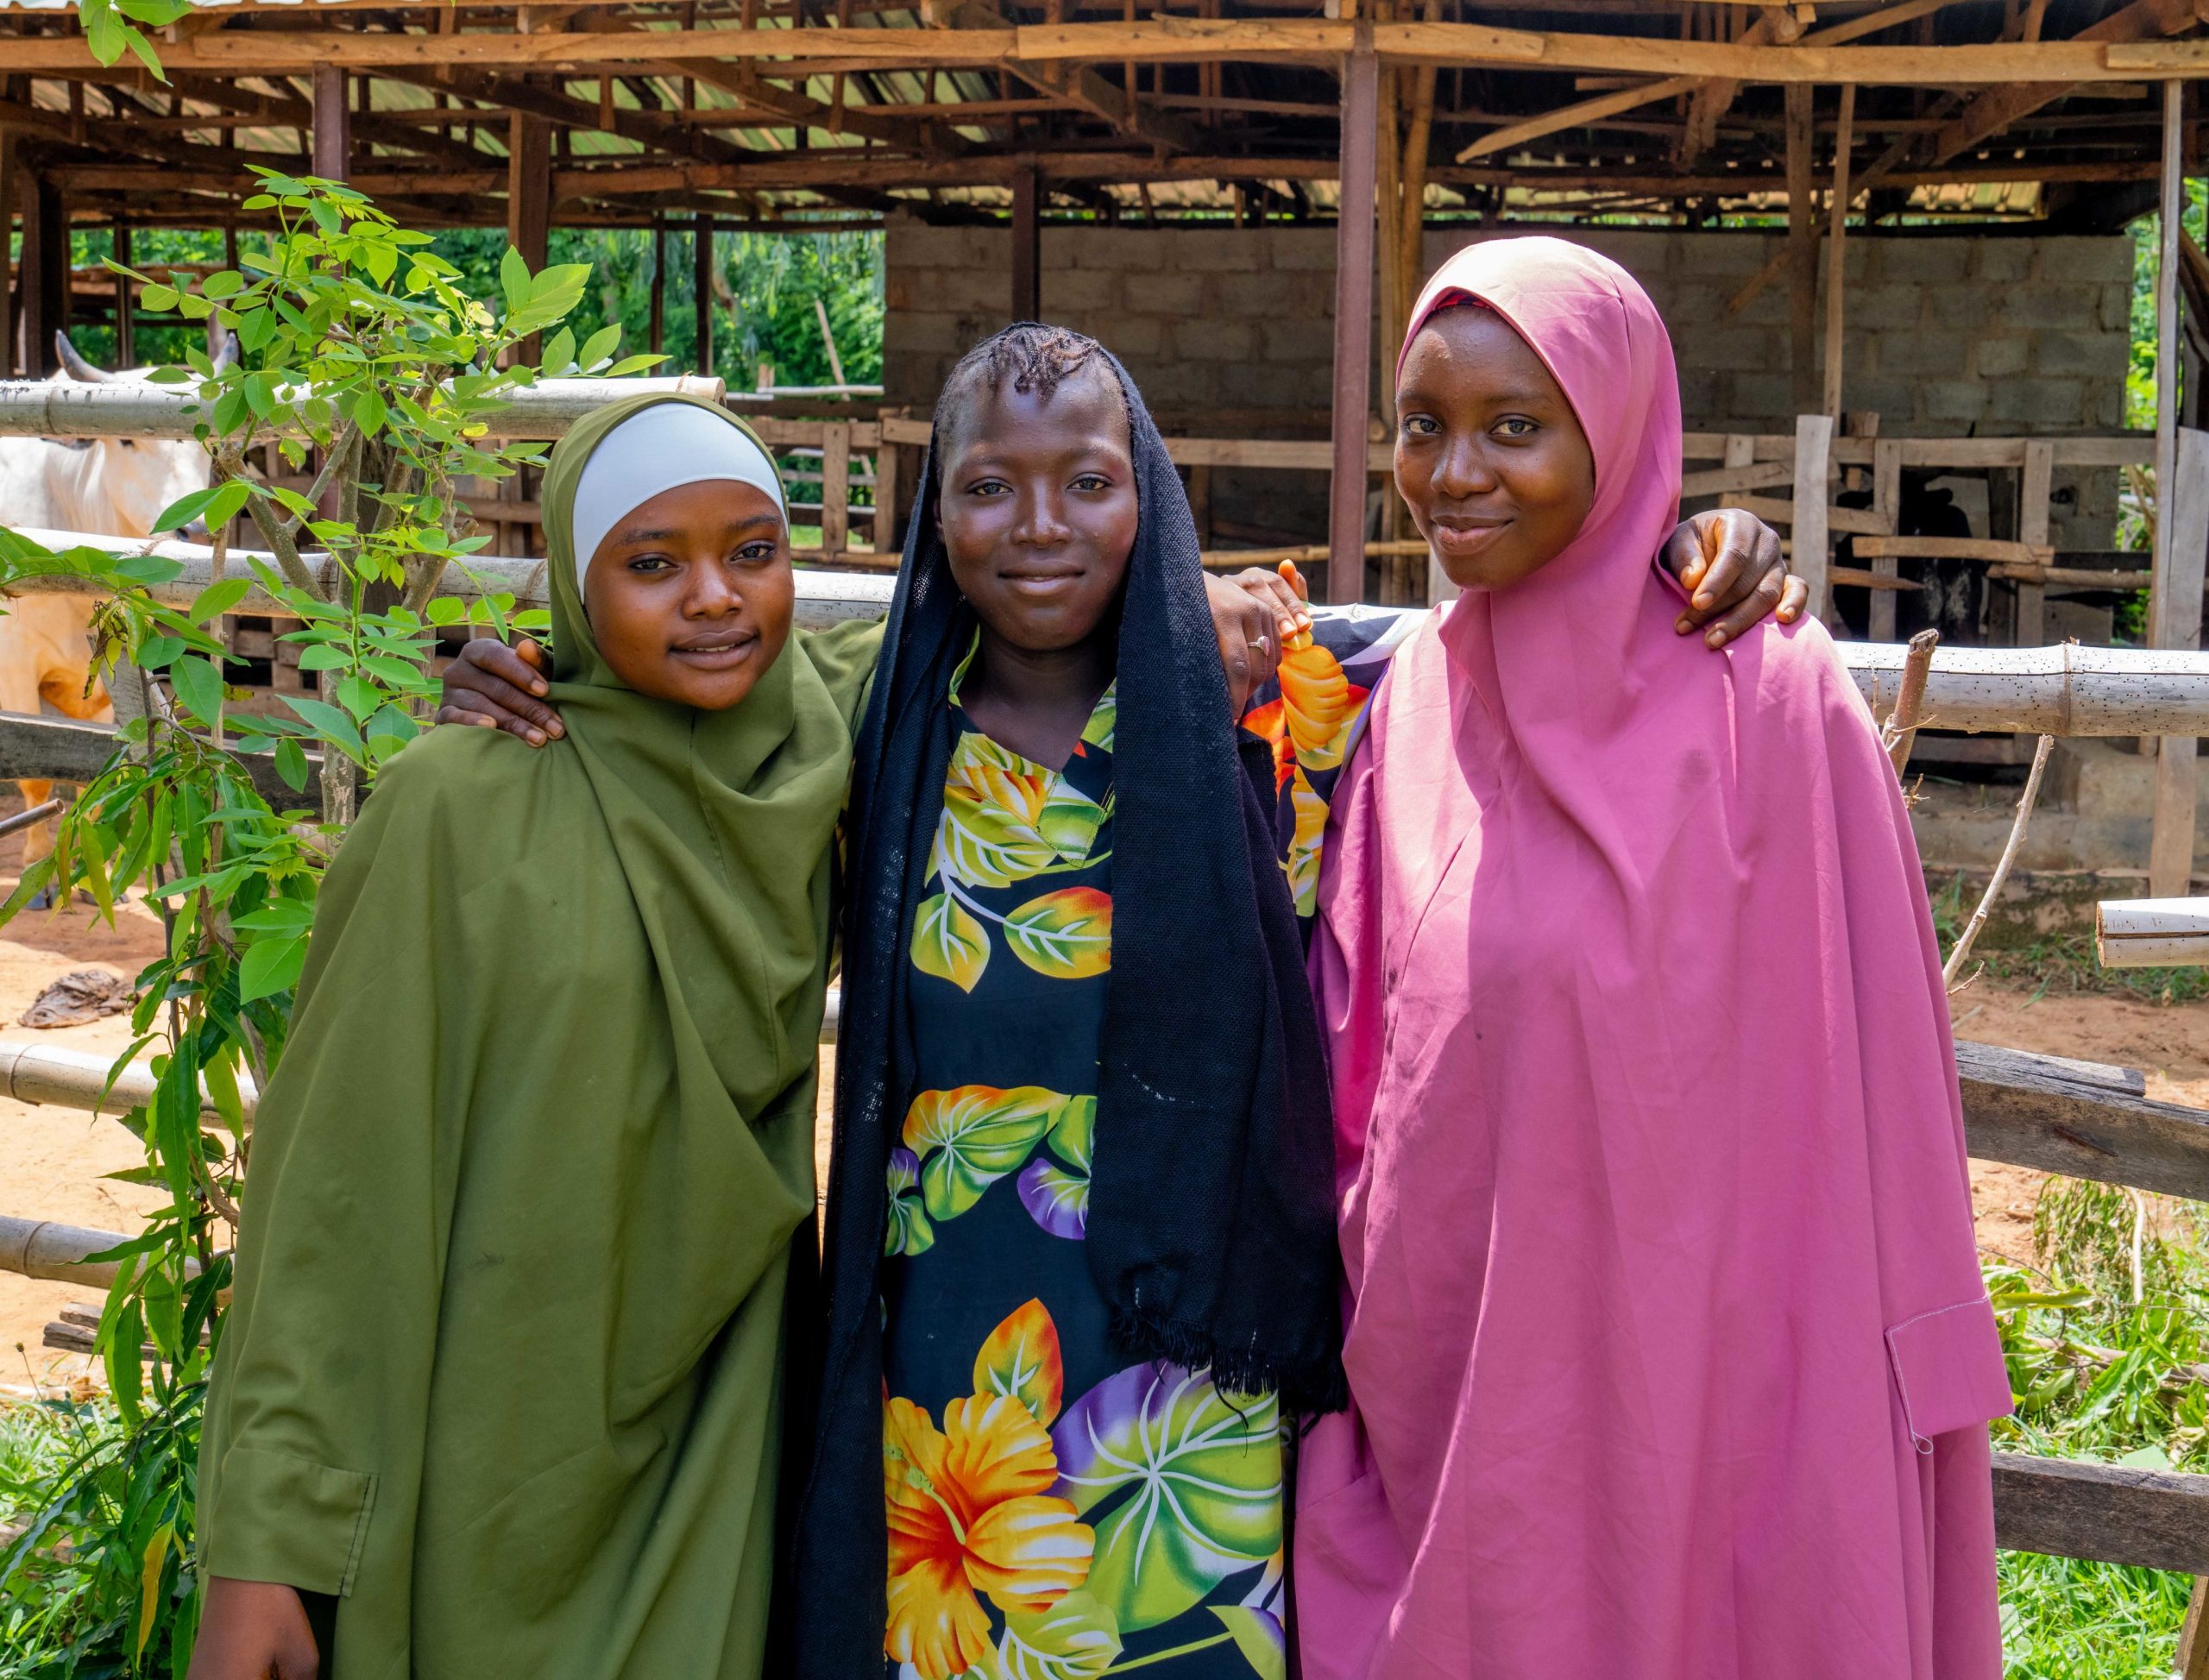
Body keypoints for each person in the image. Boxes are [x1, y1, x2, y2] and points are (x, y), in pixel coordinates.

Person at [430, 331, 1802, 1680]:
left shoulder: (1290, 709)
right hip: (950, 1387)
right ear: (940, 512)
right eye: (988, 488)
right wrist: (525, 672)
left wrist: (1676, 546)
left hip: (1191, 1387)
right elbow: (671, 698)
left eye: (1087, 482)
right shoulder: (866, 733)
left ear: (1146, 488)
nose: (1039, 527)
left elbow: (1527, 620)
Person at [1293, 236, 2009, 1679]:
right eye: (1424, 426)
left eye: (1516, 426)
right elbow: (1359, 1046)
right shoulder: (1418, 695)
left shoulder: (1768, 689)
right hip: (1468, 1376)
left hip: (1722, 1361)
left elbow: (1879, 1056)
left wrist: (1919, 1343)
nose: (1454, 474)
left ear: (1615, 439)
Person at [189, 395, 879, 1680]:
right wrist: (266, 1541)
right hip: (487, 1464)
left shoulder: (819, 758)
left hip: (713, 1463)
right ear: (571, 582)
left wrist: (1203, 618)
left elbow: (1012, 609)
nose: (717, 598)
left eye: (755, 550)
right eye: (652, 562)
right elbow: (337, 1189)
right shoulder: (462, 807)